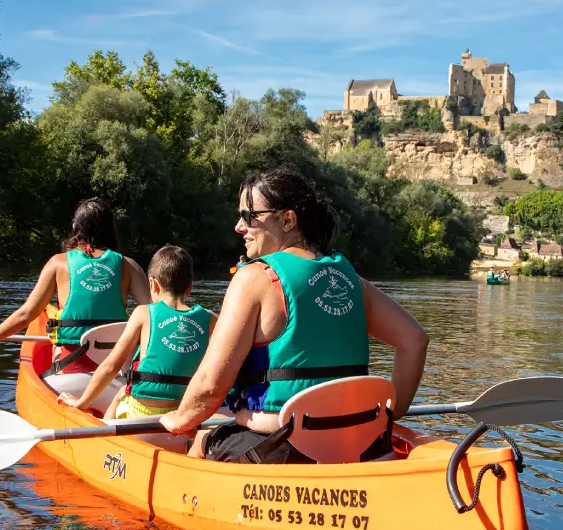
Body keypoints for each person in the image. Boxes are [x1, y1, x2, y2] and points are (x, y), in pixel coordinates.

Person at [158, 166, 429, 463]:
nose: (239, 226)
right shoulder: (350, 279)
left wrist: (181, 419)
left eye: (249, 216)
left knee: (201, 439)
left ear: (287, 219)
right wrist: (393, 412)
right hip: (360, 444)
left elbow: (211, 384)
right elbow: (414, 340)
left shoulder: (255, 278)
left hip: (282, 449)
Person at [0, 198, 149, 390]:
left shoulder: (57, 263)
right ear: (111, 229)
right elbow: (154, 315)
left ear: (75, 227)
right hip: (116, 377)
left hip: (71, 375)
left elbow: (27, 314)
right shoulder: (129, 266)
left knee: (55, 346)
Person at [59, 245, 217, 419]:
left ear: (153, 284)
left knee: (121, 394)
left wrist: (81, 403)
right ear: (189, 288)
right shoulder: (210, 318)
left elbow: (111, 365)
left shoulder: (143, 313)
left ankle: (105, 432)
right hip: (183, 412)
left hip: (141, 412)